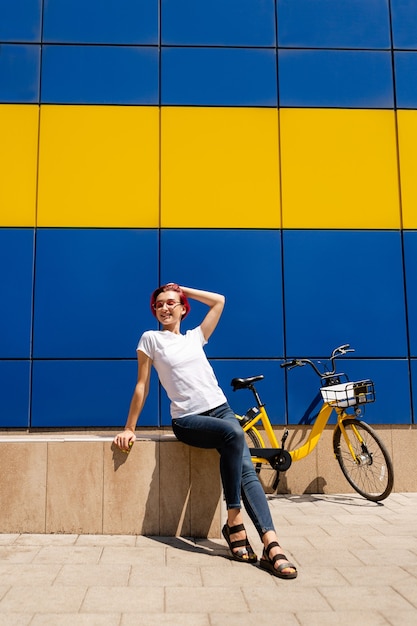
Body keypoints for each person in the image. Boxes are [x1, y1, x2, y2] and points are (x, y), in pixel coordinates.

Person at [114, 283, 297, 579]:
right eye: (159, 304)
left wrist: (181, 288)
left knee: (247, 471)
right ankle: (234, 521)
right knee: (234, 434)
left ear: (184, 309)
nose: (164, 308)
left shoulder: (195, 337)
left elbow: (219, 301)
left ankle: (271, 544)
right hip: (188, 420)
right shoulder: (151, 339)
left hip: (220, 409)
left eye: (171, 302)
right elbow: (142, 385)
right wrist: (129, 427)